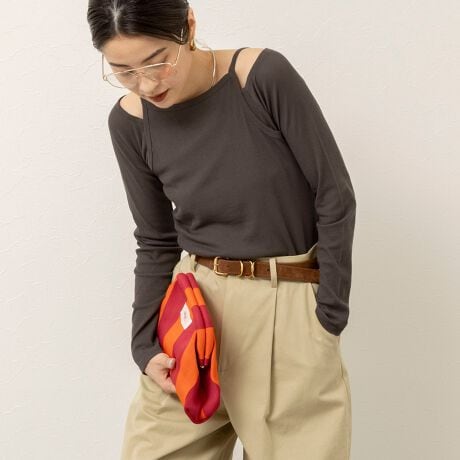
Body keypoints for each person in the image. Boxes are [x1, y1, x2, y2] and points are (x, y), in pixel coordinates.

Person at [87, 1, 356, 459]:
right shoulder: (130, 122)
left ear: (188, 26)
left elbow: (334, 194)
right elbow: (155, 239)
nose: (147, 84)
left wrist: (327, 315)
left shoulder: (261, 78)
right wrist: (144, 344)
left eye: (156, 61)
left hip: (285, 304)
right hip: (193, 309)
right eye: (124, 71)